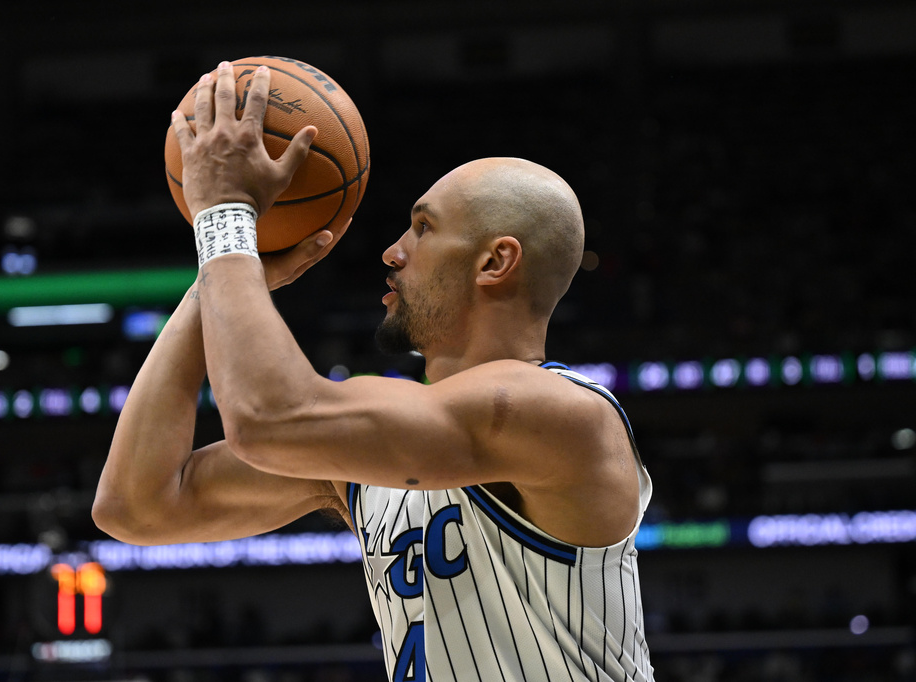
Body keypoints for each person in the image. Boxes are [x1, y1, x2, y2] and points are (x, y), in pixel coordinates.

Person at [93, 61, 654, 682]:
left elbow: (268, 418)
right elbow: (136, 505)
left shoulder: (563, 416)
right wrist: (215, 281)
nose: (393, 251)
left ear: (496, 261)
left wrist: (226, 219)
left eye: (423, 228)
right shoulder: (381, 455)